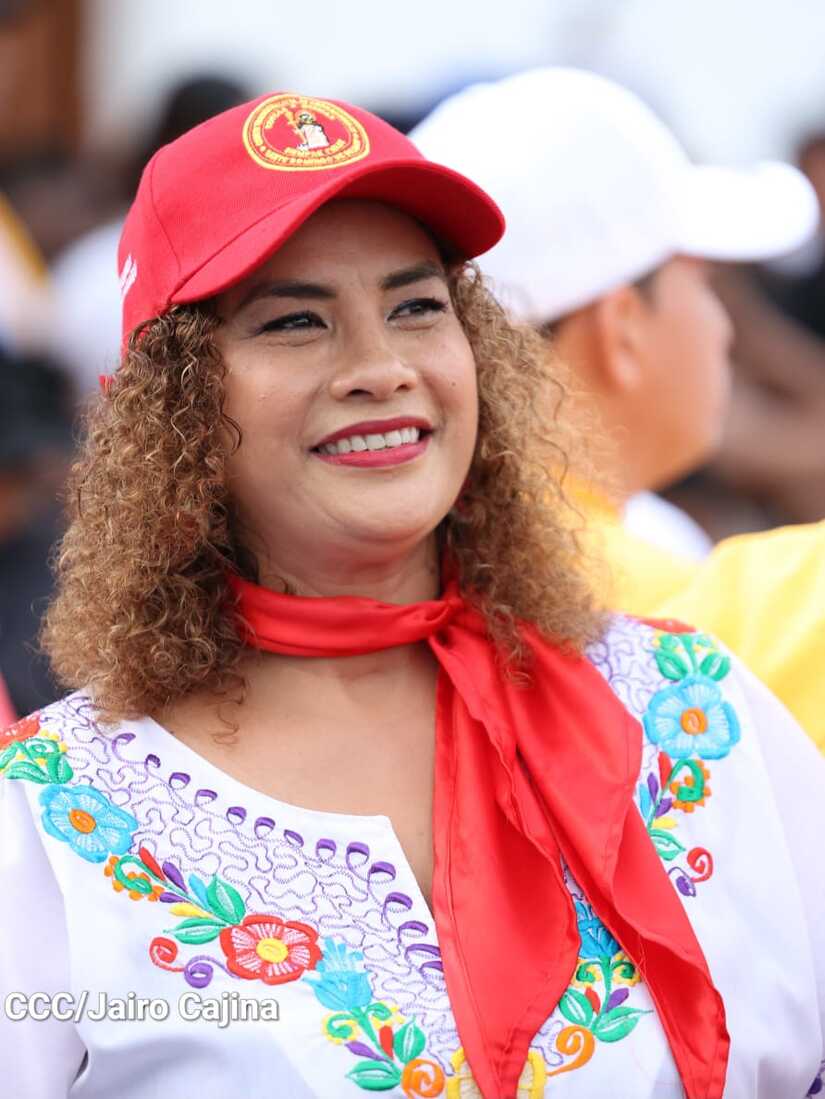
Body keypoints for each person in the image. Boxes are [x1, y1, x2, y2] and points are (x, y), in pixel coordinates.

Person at [1, 91, 823, 1099]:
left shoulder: (699, 712)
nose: (381, 367)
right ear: (174, 407)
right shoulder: (54, 821)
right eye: (296, 321)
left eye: (417, 306)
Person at [411, 67, 825, 748]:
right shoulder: (698, 625)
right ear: (622, 326)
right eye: (703, 282)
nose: (722, 329)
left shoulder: (400, 576)